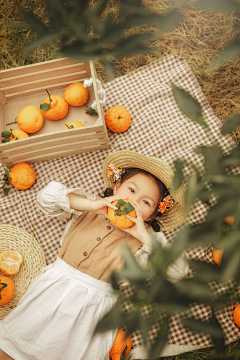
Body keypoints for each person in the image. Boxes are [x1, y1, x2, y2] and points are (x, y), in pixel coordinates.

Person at [0, 150, 189, 360]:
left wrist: (144, 236)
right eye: (131, 189)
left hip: (95, 305)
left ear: (153, 214)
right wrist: (91, 205)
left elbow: (178, 272)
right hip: (54, 286)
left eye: (146, 203)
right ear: (117, 186)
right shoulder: (89, 206)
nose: (133, 201)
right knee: (15, 341)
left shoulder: (148, 241)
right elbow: (46, 198)